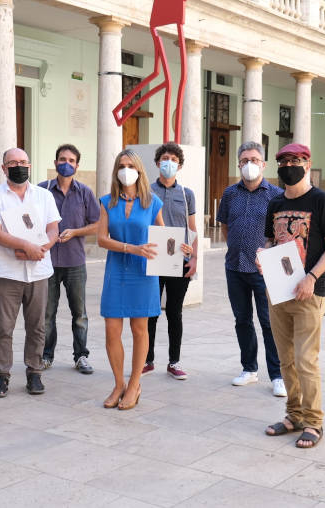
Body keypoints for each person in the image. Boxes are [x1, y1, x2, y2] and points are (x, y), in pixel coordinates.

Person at [262, 143, 325, 449]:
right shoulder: (275, 203)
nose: (289, 166)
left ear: (308, 164)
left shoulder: (321, 200)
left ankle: (314, 422)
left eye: (296, 160)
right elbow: (271, 241)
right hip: (279, 290)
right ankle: (293, 415)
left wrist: (312, 277)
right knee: (285, 359)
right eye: (283, 161)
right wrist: (263, 255)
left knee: (305, 359)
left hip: (309, 291)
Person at [0, 148, 61, 398]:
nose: (19, 166)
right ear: (3, 168)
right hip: (8, 273)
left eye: (23, 162)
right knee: (3, 327)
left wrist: (44, 246)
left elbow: (53, 228)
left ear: (30, 165)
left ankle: (34, 372)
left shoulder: (44, 196)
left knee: (37, 326)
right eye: (13, 162)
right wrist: (25, 246)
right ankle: (1, 376)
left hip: (39, 271)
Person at [216, 141, 286, 397]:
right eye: (245, 160)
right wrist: (236, 247)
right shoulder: (230, 193)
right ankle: (249, 369)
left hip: (264, 271)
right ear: (238, 164)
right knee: (242, 320)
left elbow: (282, 234)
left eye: (254, 160)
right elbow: (224, 225)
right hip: (234, 266)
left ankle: (277, 375)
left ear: (264, 164)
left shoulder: (276, 195)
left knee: (269, 322)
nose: (249, 165)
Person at [97, 149, 164, 410]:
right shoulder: (107, 202)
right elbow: (102, 239)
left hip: (144, 273)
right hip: (116, 272)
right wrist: (131, 248)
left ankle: (135, 384)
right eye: (121, 165)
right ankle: (118, 384)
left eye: (130, 165)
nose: (126, 170)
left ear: (139, 170)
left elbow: (164, 236)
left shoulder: (152, 202)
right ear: (116, 171)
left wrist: (182, 248)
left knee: (139, 329)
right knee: (112, 330)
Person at [38, 144, 100, 374]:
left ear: (77, 165)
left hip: (75, 261)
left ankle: (81, 355)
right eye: (62, 159)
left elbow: (97, 223)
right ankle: (46, 355)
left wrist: (75, 232)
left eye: (71, 160)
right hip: (47, 263)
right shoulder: (41, 191)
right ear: (55, 163)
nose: (66, 163)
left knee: (80, 313)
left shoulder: (84, 192)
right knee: (47, 313)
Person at [145, 142, 197, 380]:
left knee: (175, 313)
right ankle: (147, 359)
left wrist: (194, 257)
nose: (169, 163)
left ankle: (174, 362)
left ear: (180, 165)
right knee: (151, 312)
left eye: (174, 160)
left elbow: (193, 229)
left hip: (179, 260)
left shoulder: (187, 195)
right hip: (153, 260)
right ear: (158, 163)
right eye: (165, 158)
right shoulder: (145, 191)